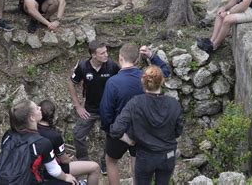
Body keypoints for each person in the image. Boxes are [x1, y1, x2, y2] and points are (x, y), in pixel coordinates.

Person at [100, 43, 170, 185]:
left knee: (111, 161)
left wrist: (113, 132)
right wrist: (152, 56)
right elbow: (165, 71)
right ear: (137, 60)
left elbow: (105, 113)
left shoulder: (112, 82)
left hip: (121, 130)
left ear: (120, 58)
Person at [109, 65, 183, 185]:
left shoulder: (135, 103)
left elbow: (116, 130)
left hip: (146, 156)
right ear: (162, 81)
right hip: (168, 155)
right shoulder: (174, 104)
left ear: (142, 81)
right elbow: (178, 131)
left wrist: (129, 140)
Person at [67, 40, 120, 175]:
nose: (106, 55)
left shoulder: (112, 66)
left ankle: (105, 161)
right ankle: (84, 161)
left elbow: (122, 81)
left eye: (106, 51)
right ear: (93, 55)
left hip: (108, 109)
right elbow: (71, 83)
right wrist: (78, 106)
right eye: (102, 53)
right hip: (90, 109)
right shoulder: (83, 67)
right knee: (78, 134)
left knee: (112, 135)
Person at [1, 99, 78, 184]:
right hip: (27, 182)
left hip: (3, 180)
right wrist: (66, 177)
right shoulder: (42, 142)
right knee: (71, 182)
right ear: (32, 117)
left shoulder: (8, 135)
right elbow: (54, 170)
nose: (40, 108)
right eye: (37, 108)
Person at [38, 100, 100, 185]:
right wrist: (70, 159)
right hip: (49, 171)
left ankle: (78, 182)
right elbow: (64, 160)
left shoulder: (32, 128)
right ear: (54, 115)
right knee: (94, 167)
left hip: (38, 168)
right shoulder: (54, 136)